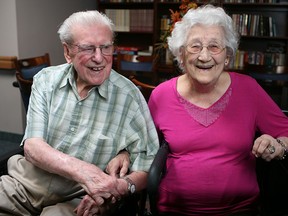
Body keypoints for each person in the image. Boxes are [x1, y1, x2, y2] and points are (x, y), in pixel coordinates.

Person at [0, 10, 159, 216]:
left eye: (106, 47)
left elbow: (148, 167)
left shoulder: (129, 96)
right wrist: (88, 172)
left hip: (81, 198)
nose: (99, 58)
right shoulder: (46, 81)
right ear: (68, 53)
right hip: (24, 184)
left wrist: (118, 188)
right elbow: (33, 148)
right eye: (88, 48)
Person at [148, 4, 288, 216]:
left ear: (228, 56)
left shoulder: (248, 89)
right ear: (181, 54)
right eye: (195, 46)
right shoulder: (161, 95)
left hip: (240, 210)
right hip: (174, 211)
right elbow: (142, 148)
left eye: (214, 46)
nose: (204, 57)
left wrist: (277, 145)